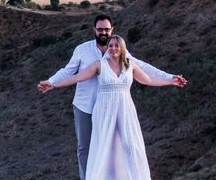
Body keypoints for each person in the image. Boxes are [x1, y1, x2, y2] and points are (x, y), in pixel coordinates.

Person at [38, 14, 187, 180]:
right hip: (86, 105)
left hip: (118, 108)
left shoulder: (122, 54)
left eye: (106, 29)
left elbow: (145, 70)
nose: (103, 32)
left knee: (119, 147)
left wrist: (170, 78)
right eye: (100, 29)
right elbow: (70, 73)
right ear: (95, 30)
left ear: (112, 30)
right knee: (86, 148)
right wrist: (52, 82)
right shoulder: (82, 50)